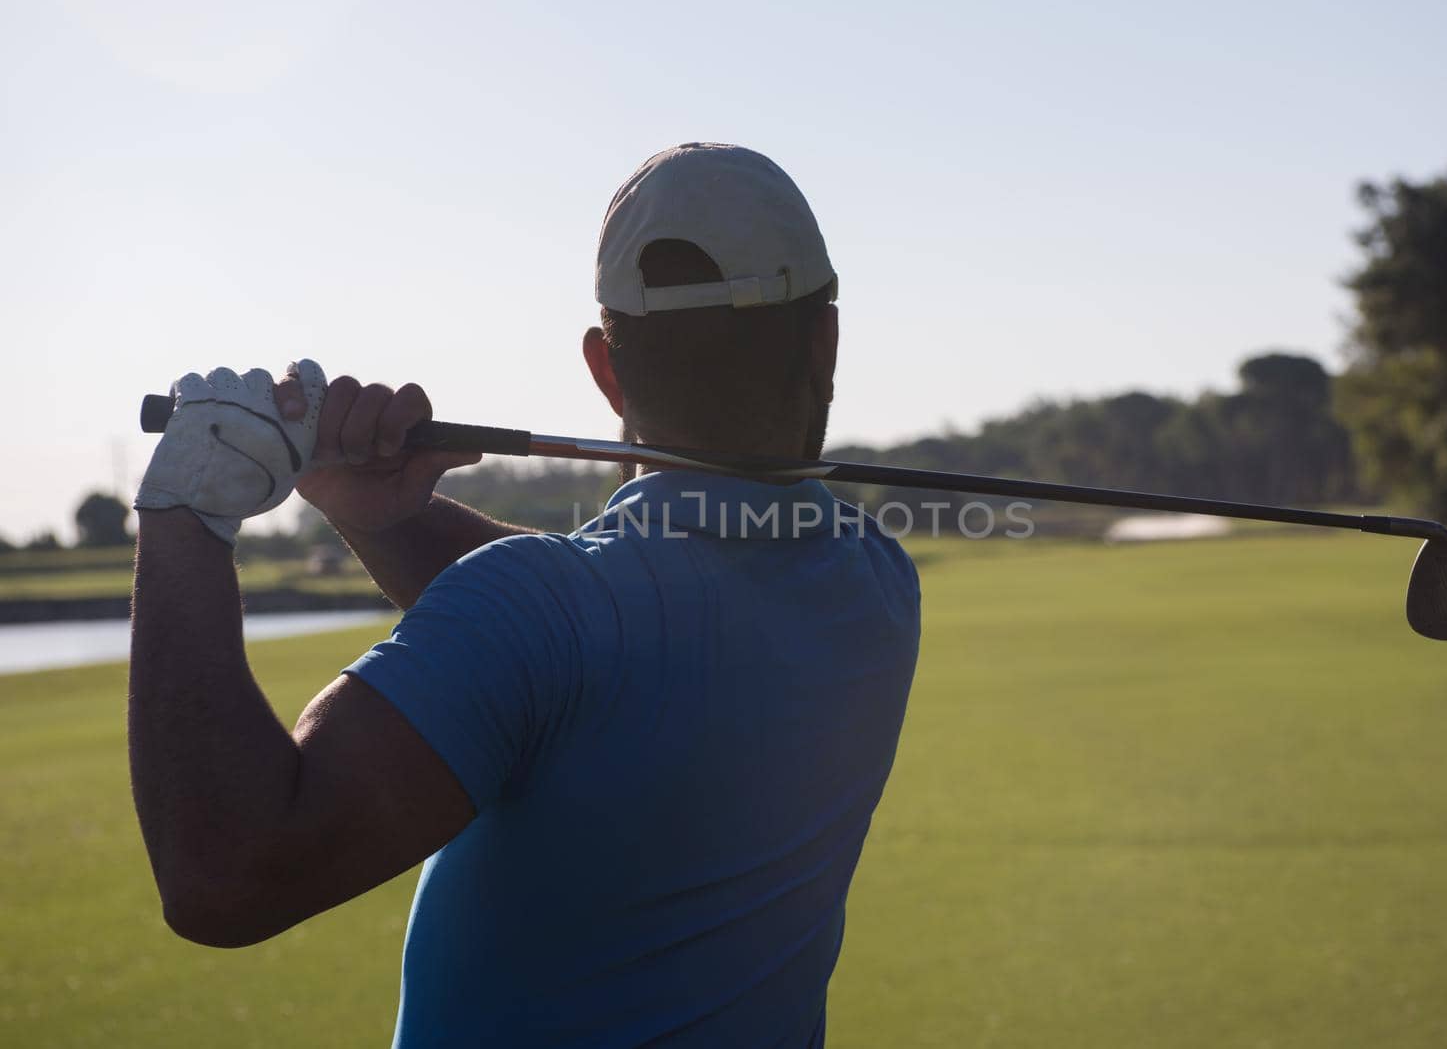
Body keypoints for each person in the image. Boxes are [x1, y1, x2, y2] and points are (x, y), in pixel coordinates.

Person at [128, 143, 922, 1047]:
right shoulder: (875, 583)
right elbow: (597, 633)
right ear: (826, 340)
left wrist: (187, 509)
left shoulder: (550, 617)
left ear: (604, 367)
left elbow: (227, 876)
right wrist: (385, 519)